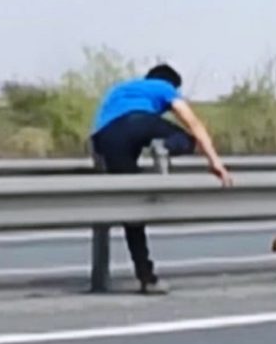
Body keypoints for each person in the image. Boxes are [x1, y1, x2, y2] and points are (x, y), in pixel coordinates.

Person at [90, 63, 233, 294]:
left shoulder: (120, 89)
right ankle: (164, 146)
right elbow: (193, 123)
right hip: (140, 122)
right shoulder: (164, 88)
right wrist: (215, 162)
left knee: (131, 211)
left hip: (105, 136)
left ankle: (147, 278)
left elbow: (96, 129)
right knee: (188, 139)